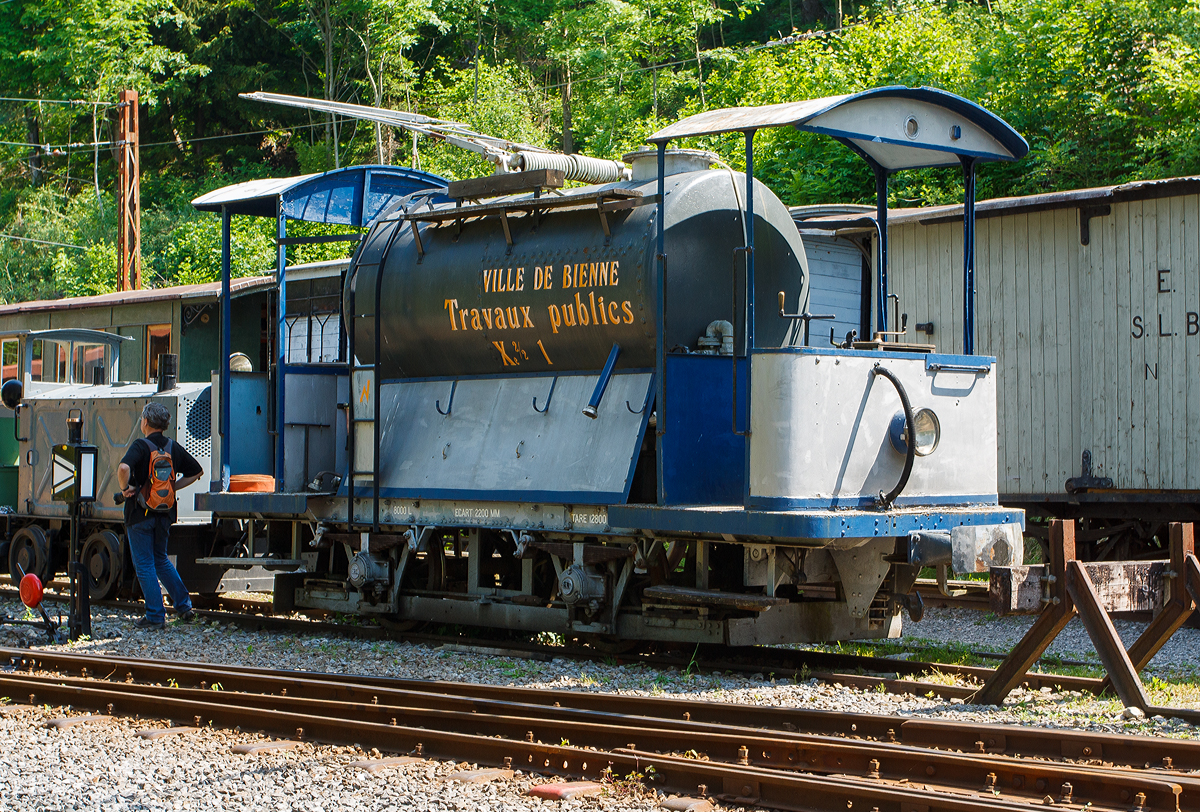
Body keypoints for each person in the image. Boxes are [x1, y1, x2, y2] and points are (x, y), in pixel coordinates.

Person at [116, 402, 204, 629]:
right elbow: (197, 471)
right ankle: (184, 606)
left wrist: (125, 488)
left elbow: (124, 468)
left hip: (140, 514)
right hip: (165, 513)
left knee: (144, 563)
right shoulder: (172, 446)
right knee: (161, 559)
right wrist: (173, 487)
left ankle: (155, 616)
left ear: (145, 421)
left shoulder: (141, 445)